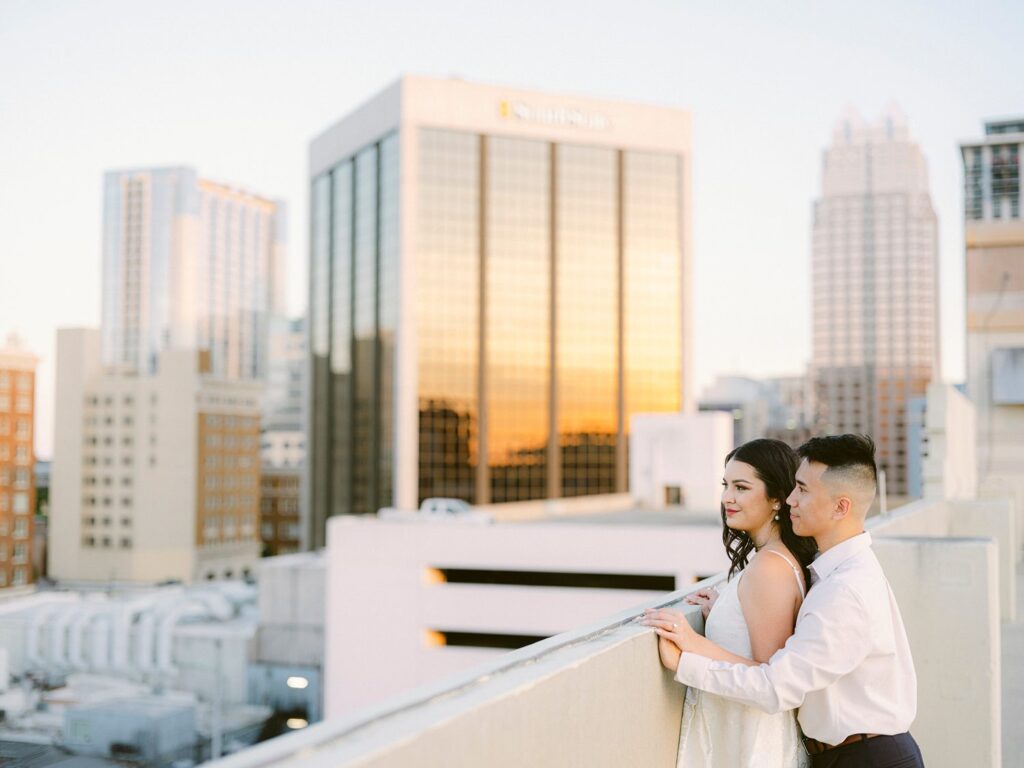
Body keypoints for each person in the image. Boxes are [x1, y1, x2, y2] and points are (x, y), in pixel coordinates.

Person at [642, 434, 923, 768]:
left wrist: (686, 656)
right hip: (851, 754)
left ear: (840, 506)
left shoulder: (845, 591)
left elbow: (775, 686)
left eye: (803, 490)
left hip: (866, 758)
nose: (791, 499)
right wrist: (730, 612)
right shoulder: (834, 571)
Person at [672, 438, 817, 767]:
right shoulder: (774, 560)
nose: (727, 498)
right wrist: (723, 611)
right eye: (725, 485)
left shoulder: (770, 567)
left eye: (741, 487)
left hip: (753, 745)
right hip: (744, 735)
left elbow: (769, 676)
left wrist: (690, 642)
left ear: (778, 499)